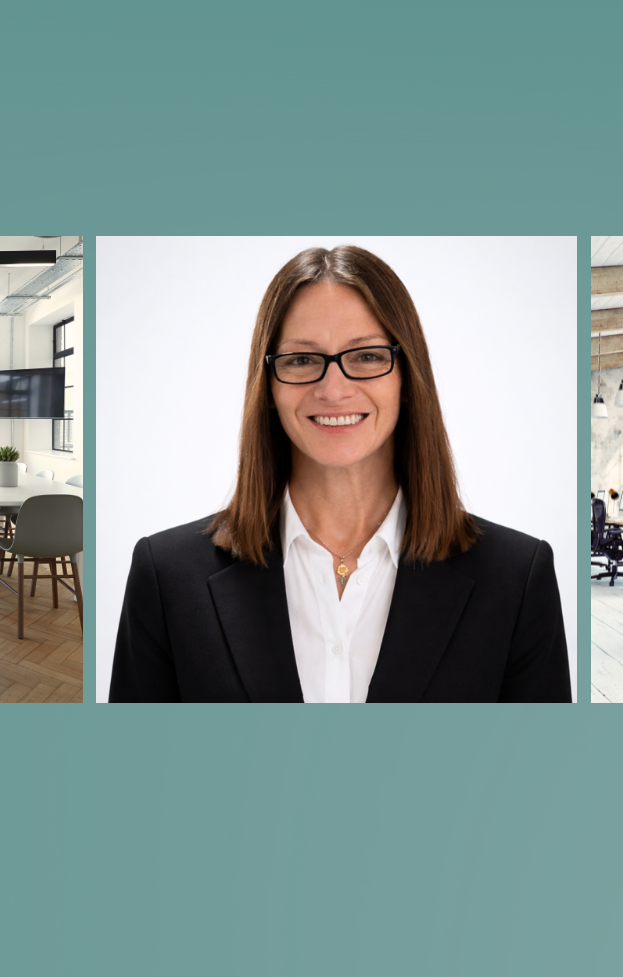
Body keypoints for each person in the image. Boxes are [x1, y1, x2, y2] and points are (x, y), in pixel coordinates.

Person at [110, 245, 569, 702]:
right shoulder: (167, 577)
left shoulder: (516, 581)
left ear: (407, 376)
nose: (333, 389)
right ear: (267, 386)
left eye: (367, 356)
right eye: (301, 359)